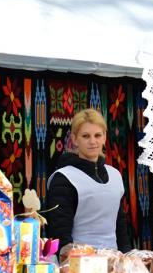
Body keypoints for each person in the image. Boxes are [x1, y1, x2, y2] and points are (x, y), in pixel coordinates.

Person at [46, 108, 132, 255]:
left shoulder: (115, 175)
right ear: (74, 139)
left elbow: (120, 226)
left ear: (104, 137)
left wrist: (128, 258)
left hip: (114, 261)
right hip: (80, 262)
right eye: (85, 136)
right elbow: (60, 233)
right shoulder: (64, 178)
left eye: (97, 135)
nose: (93, 141)